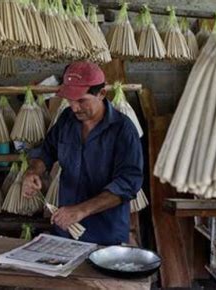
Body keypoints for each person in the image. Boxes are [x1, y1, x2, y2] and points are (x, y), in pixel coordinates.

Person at [22, 61, 143, 245]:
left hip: (105, 236)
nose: (74, 107)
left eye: (81, 100)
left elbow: (127, 184)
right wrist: (33, 172)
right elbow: (46, 151)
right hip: (65, 233)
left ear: (101, 93)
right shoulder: (67, 120)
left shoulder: (123, 130)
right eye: (70, 100)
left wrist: (80, 211)